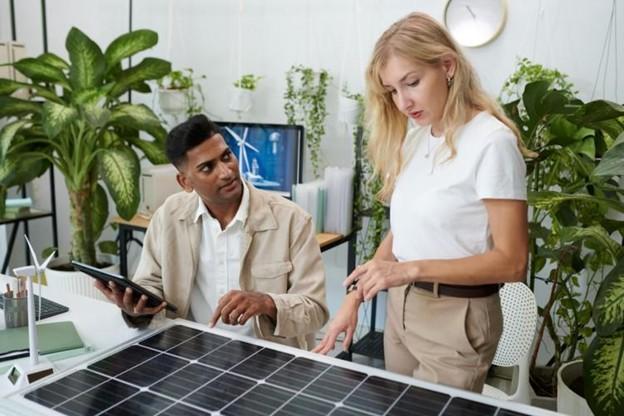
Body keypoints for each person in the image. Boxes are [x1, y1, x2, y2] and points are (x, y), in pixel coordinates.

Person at [314, 12, 530, 392]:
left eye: (411, 83)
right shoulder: (418, 136)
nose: (402, 102)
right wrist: (355, 298)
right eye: (392, 90)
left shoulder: (491, 142)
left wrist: (408, 270)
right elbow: (406, 230)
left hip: (455, 319)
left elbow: (512, 263)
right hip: (401, 311)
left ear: (447, 66)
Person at [95, 114, 328, 350]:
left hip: (270, 360)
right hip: (192, 356)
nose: (226, 172)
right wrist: (136, 308)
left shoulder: (293, 220)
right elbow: (150, 283)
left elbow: (315, 310)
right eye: (208, 167)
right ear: (185, 182)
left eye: (227, 156)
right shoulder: (168, 216)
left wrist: (267, 303)